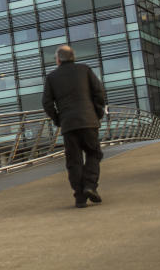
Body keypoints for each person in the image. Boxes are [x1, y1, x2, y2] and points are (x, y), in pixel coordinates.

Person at [42, 44, 107, 208]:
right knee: (94, 153)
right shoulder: (85, 70)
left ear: (58, 60)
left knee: (74, 160)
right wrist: (97, 113)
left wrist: (58, 119)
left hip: (68, 124)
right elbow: (99, 93)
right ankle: (90, 186)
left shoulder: (52, 77)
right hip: (88, 120)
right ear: (73, 57)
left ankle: (80, 197)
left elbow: (47, 103)